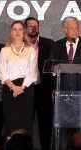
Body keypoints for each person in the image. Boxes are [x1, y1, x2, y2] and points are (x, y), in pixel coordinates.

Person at [0, 20, 37, 139]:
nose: (17, 32)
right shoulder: (5, 50)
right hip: (9, 89)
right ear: (11, 32)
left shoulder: (31, 50)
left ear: (24, 32)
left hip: (26, 89)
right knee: (11, 123)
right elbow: (1, 72)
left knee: (26, 123)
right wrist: (13, 87)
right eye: (14, 29)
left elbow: (33, 72)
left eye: (20, 29)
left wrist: (21, 88)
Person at [50, 16, 81, 150]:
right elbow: (50, 68)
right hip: (61, 93)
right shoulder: (56, 45)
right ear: (64, 30)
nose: (75, 31)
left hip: (80, 92)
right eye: (72, 28)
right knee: (61, 130)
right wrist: (53, 88)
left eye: (77, 27)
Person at [24, 17, 54, 150]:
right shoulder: (20, 44)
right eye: (30, 26)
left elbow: (53, 67)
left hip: (44, 90)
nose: (33, 28)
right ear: (25, 28)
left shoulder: (49, 43)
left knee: (45, 124)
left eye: (36, 26)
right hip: (25, 89)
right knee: (25, 123)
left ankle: (46, 147)